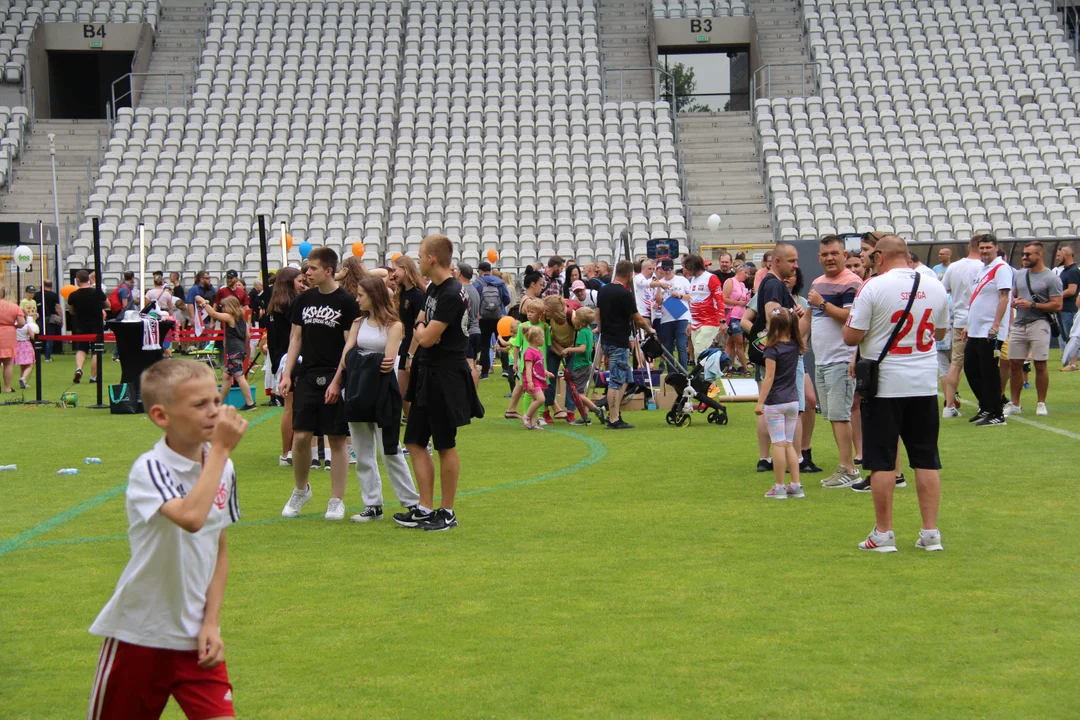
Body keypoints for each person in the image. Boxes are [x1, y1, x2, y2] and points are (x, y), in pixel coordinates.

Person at [86, 359, 246, 718]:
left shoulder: (224, 467)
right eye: (199, 405)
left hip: (195, 643)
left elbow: (219, 550)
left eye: (215, 401)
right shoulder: (150, 468)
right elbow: (191, 518)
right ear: (162, 416)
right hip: (139, 636)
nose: (214, 412)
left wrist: (211, 623)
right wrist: (220, 451)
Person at [842, 235, 948, 553]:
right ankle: (930, 532)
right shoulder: (935, 284)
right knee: (926, 459)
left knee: (883, 462)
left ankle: (884, 532)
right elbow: (940, 332)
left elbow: (851, 335)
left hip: (886, 384)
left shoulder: (874, 286)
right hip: (924, 382)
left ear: (881, 257)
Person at [399, 234, 483, 532]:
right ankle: (424, 507)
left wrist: (420, 329)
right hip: (428, 372)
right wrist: (420, 330)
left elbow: (426, 336)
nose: (418, 260)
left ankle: (447, 511)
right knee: (414, 440)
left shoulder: (451, 292)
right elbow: (420, 326)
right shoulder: (435, 287)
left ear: (432, 259)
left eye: (421, 255)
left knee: (445, 444)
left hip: (445, 375)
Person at [328, 275, 420, 522]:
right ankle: (373, 505)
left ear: (374, 296)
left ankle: (412, 503)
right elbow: (347, 356)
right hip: (356, 391)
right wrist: (338, 379)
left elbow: (387, 364)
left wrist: (358, 359)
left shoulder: (394, 325)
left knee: (390, 450)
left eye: (361, 295)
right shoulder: (358, 322)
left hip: (382, 393)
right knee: (362, 451)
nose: (357, 299)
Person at [279, 247, 361, 521]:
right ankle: (301, 490)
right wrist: (287, 374)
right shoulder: (303, 300)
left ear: (328, 270)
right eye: (306, 268)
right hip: (308, 375)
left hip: (335, 375)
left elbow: (350, 344)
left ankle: (336, 499)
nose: (307, 272)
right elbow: (295, 339)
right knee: (301, 437)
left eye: (313, 268)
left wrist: (339, 379)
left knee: (337, 439)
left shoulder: (347, 302)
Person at [807, 236, 864, 489]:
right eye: (825, 254)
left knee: (841, 415)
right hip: (822, 359)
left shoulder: (852, 283)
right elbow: (811, 317)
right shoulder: (818, 282)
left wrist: (824, 304)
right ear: (819, 258)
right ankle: (844, 466)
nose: (829, 258)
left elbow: (852, 318)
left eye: (834, 253)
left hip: (840, 358)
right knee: (833, 415)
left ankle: (849, 469)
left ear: (843, 255)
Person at [596, 259, 658, 430]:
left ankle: (614, 412)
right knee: (616, 380)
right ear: (630, 275)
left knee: (625, 377)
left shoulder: (603, 290)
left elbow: (598, 314)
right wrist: (649, 329)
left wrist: (602, 332)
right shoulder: (625, 294)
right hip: (619, 341)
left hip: (608, 339)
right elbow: (637, 318)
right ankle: (614, 418)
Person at [1005, 241, 1062, 417]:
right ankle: (1015, 403)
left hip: (1039, 322)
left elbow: (1057, 305)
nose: (1024, 257)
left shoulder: (1051, 278)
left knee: (1040, 364)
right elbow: (1014, 294)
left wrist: (1032, 304)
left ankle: (1041, 402)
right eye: (1023, 254)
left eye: (1028, 254)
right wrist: (1015, 301)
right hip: (1020, 322)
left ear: (1039, 255)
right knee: (1015, 363)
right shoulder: (1020, 275)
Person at [754, 307, 805, 500]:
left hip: (775, 402)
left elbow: (769, 378)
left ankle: (779, 486)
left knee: (778, 443)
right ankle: (796, 484)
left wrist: (760, 403)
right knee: (789, 443)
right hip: (792, 400)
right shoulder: (794, 345)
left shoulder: (771, 349)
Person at [963, 234, 1013, 426]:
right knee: (971, 367)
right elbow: (978, 300)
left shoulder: (1001, 269)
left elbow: (1004, 298)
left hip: (989, 329)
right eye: (982, 248)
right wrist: (969, 324)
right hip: (976, 328)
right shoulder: (984, 269)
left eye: (988, 248)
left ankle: (996, 413)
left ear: (996, 247)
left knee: (989, 370)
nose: (984, 251)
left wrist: (996, 325)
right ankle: (986, 405)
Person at [264, 267, 306, 464]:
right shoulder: (292, 304)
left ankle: (286, 451)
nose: (303, 285)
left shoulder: (274, 304)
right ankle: (287, 452)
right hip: (290, 359)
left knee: (290, 408)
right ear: (290, 282)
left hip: (279, 359)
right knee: (293, 408)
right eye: (299, 281)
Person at [941, 235, 985, 417]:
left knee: (956, 364)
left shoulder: (954, 267)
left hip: (959, 320)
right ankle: (987, 403)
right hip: (980, 321)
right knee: (985, 364)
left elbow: (944, 290)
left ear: (969, 246)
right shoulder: (984, 267)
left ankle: (949, 405)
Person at [197, 295, 257, 411]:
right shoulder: (242, 319)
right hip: (240, 349)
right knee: (226, 376)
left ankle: (250, 403)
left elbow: (214, 314)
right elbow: (248, 336)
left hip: (234, 351)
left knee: (239, 376)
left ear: (229, 307)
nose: (222, 309)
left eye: (223, 306)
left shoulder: (230, 317)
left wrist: (203, 302)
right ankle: (219, 402)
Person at [392, 254, 426, 418]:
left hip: (414, 349)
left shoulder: (417, 295)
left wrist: (411, 354)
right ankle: (416, 437)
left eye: (395, 269)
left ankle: (420, 439)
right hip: (404, 347)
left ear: (405, 269)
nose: (392, 274)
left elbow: (419, 326)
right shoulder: (402, 293)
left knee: (410, 394)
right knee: (403, 392)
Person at [505, 298, 549, 420]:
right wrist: (515, 362)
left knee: (541, 389)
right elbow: (517, 345)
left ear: (540, 314)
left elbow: (547, 345)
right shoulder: (522, 327)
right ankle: (527, 415)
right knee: (528, 390)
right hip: (527, 364)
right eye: (528, 311)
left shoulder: (544, 326)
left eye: (532, 312)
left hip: (541, 364)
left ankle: (539, 416)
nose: (529, 314)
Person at [563, 307, 605, 425]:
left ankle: (597, 410)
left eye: (575, 317)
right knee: (580, 393)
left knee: (579, 394)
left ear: (580, 321)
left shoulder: (582, 332)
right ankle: (585, 417)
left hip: (580, 366)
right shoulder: (589, 331)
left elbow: (582, 349)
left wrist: (568, 349)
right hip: (587, 365)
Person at [67, 270, 107, 385]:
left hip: (81, 324)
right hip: (96, 325)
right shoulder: (97, 292)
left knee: (81, 349)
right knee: (96, 350)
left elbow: (71, 310)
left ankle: (79, 368)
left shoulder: (73, 295)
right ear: (88, 279)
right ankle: (93, 377)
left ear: (77, 280)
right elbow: (108, 304)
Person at [683, 254, 726, 359]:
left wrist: (722, 321)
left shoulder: (711, 278)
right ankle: (710, 374)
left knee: (700, 350)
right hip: (695, 322)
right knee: (699, 354)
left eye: (686, 267)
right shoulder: (693, 280)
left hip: (709, 321)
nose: (686, 270)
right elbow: (692, 302)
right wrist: (689, 322)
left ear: (693, 266)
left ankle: (706, 374)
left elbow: (719, 300)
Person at [474, 260, 511, 379]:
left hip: (483, 318)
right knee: (502, 342)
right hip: (499, 318)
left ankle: (484, 372)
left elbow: (475, 300)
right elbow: (507, 299)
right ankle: (506, 369)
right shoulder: (500, 283)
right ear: (490, 270)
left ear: (480, 271)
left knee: (485, 345)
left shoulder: (477, 283)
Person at [543, 294, 574, 422]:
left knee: (571, 377)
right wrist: (560, 350)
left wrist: (570, 349)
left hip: (572, 348)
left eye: (547, 310)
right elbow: (548, 338)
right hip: (554, 346)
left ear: (555, 311)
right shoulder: (546, 317)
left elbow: (582, 334)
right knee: (549, 377)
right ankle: (546, 411)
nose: (544, 312)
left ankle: (570, 411)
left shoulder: (572, 316)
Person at [656, 258, 691, 370]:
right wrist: (658, 285)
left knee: (681, 345)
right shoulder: (660, 282)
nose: (667, 271)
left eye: (670, 269)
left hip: (682, 316)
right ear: (661, 269)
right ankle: (672, 373)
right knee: (668, 347)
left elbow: (692, 297)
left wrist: (680, 296)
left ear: (673, 268)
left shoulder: (682, 280)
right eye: (665, 269)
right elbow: (658, 301)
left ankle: (683, 372)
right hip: (667, 318)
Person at [521, 324, 553, 430]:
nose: (544, 339)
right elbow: (528, 368)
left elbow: (538, 366)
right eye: (543, 337)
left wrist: (546, 372)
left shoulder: (538, 351)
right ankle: (526, 416)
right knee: (541, 399)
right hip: (532, 381)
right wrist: (530, 382)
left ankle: (533, 423)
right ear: (537, 339)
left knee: (535, 401)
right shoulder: (529, 352)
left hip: (539, 379)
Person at [456, 262, 483, 386]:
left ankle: (471, 396)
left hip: (467, 331)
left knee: (469, 364)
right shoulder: (475, 290)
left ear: (460, 273)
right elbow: (477, 315)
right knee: (473, 364)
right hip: (476, 330)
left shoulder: (461, 290)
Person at [722, 264, 751, 374]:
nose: (747, 276)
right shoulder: (730, 281)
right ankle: (745, 369)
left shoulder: (742, 284)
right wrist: (738, 303)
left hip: (741, 315)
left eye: (748, 273)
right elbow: (723, 298)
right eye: (746, 273)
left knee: (730, 343)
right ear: (739, 271)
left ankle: (728, 367)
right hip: (732, 315)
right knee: (739, 343)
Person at [0, 286, 26, 393]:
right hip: (9, 333)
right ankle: (7, 388)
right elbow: (22, 323)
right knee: (8, 363)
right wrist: (14, 326)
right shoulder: (15, 307)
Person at [1056, 245, 1079, 347]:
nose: (1057, 258)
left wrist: (1055, 296)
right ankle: (1071, 361)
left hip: (1069, 309)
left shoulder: (1073, 271)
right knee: (1065, 337)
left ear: (1066, 255)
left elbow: (1071, 290)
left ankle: (1073, 362)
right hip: (1062, 309)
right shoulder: (1065, 271)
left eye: (1059, 255)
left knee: (1070, 337)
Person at [34, 280, 62, 360]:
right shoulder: (54, 295)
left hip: (38, 318)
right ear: (51, 285)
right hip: (50, 318)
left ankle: (36, 356)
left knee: (37, 336)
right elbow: (58, 307)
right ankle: (47, 357)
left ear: (43, 285)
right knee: (49, 337)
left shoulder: (37, 295)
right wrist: (61, 318)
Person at [14, 296, 36, 389]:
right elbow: (32, 336)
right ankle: (23, 378)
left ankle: (22, 380)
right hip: (26, 344)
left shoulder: (15, 326)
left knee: (22, 365)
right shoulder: (27, 326)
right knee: (30, 363)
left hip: (18, 345)